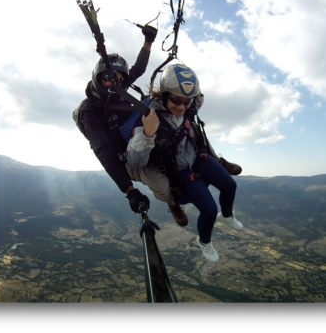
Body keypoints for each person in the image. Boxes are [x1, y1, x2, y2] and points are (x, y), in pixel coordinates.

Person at [125, 63, 243, 262]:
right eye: (176, 100)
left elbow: (198, 99)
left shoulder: (188, 106)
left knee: (230, 185)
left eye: (186, 101)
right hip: (181, 171)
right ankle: (204, 242)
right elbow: (135, 161)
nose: (181, 107)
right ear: (164, 94)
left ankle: (228, 215)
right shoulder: (149, 117)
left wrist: (191, 87)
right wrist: (147, 133)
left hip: (197, 158)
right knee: (209, 210)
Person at [73, 25, 158, 214]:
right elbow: (104, 151)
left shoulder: (120, 87)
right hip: (121, 148)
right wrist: (130, 191)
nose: (113, 83)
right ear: (97, 78)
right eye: (108, 79)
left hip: (134, 129)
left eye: (119, 78)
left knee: (158, 103)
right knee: (160, 183)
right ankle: (172, 204)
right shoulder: (90, 111)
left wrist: (148, 42)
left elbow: (140, 68)